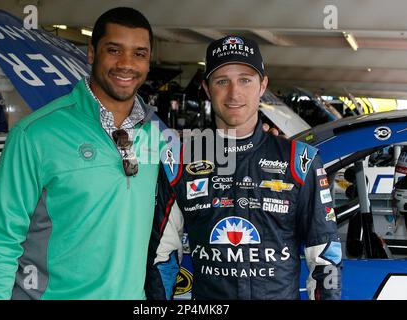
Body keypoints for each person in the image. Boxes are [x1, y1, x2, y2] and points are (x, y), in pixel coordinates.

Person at [0, 7, 171, 300]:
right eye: (114, 50)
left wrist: (264, 140)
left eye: (139, 53)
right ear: (92, 53)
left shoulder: (160, 138)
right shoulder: (35, 135)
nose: (127, 64)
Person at [145, 35, 342, 300]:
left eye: (245, 80)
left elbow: (325, 257)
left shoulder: (299, 161)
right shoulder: (179, 161)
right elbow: (162, 257)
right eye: (222, 81)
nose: (234, 93)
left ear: (263, 86)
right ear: (206, 88)